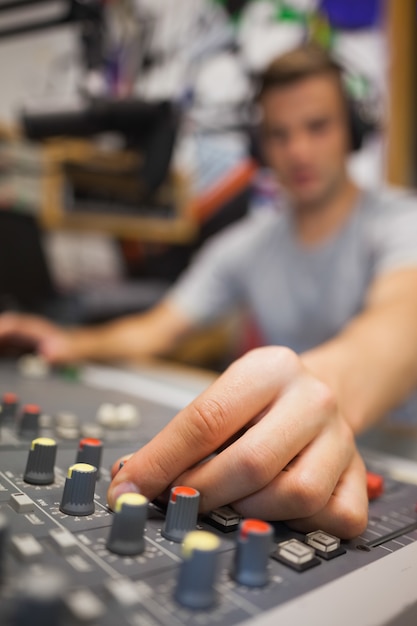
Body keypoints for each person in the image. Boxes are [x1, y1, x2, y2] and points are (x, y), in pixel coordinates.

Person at [2, 44, 417, 538]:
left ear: (352, 129)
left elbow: (399, 325)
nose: (298, 150)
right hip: (283, 458)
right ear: (261, 147)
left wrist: (316, 389)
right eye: (279, 134)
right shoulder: (244, 243)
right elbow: (158, 327)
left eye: (317, 126)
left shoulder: (401, 220)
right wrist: (65, 342)